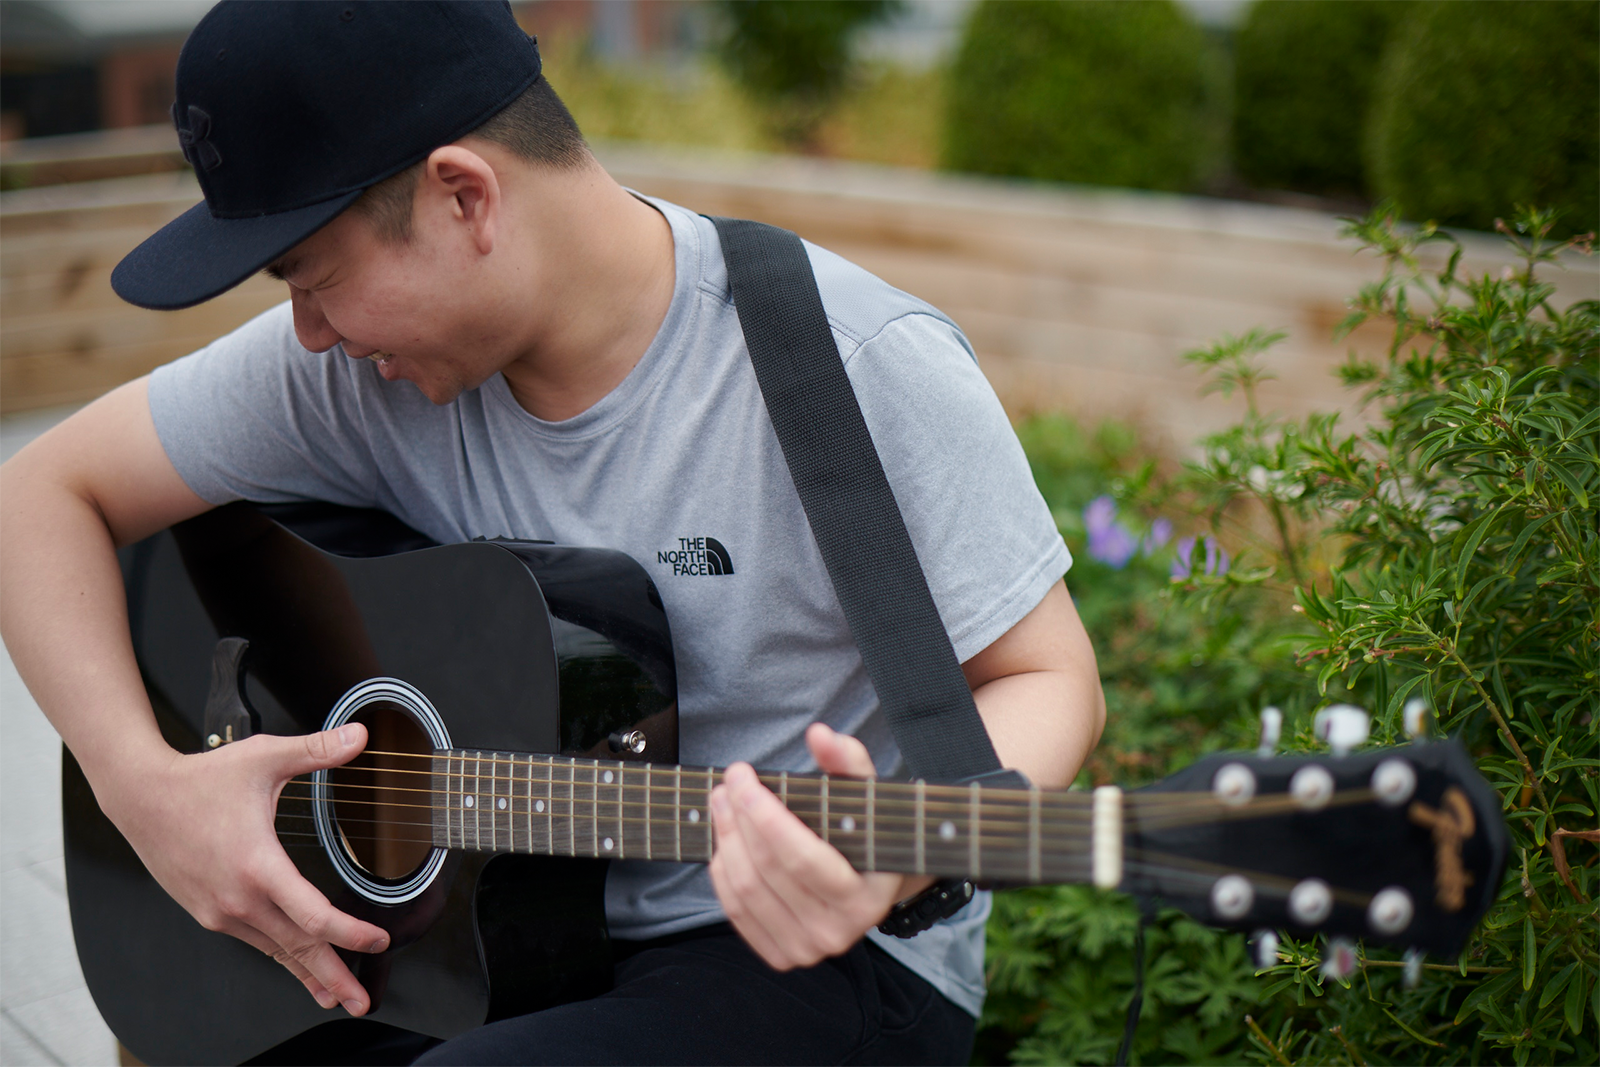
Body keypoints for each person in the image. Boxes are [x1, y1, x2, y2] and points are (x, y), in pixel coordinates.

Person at [0, 2, 1105, 1063]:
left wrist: (894, 848)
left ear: (465, 197)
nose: (310, 333)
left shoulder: (849, 366)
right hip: (487, 933)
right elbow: (38, 495)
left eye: (314, 278)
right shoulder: (345, 377)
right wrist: (144, 787)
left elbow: (1050, 678)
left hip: (811, 953)